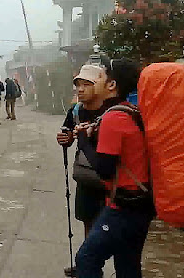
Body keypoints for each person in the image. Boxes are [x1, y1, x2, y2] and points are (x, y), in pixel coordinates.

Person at [75, 58, 154, 278]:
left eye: (100, 76)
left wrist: (83, 141)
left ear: (111, 85)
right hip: (142, 204)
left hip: (124, 207)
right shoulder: (130, 110)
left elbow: (104, 169)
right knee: (128, 266)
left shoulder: (114, 118)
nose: (95, 80)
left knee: (87, 258)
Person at [56, 64, 108, 277]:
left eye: (87, 84)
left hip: (110, 177)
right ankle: (89, 264)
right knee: (88, 221)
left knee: (108, 226)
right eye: (78, 84)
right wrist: (65, 139)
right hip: (86, 176)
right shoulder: (76, 111)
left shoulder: (112, 109)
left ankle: (93, 263)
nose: (80, 89)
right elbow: (67, 135)